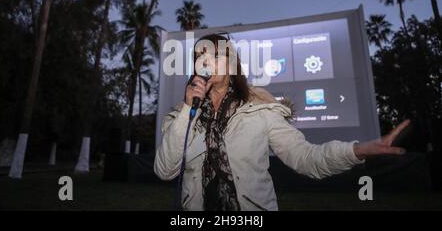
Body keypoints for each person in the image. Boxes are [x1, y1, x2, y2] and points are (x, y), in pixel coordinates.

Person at [154, 33, 409, 211]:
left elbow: (307, 158)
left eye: (213, 54)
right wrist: (189, 108)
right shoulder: (184, 113)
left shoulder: (260, 107)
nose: (205, 60)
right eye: (199, 56)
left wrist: (357, 150)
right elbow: (165, 171)